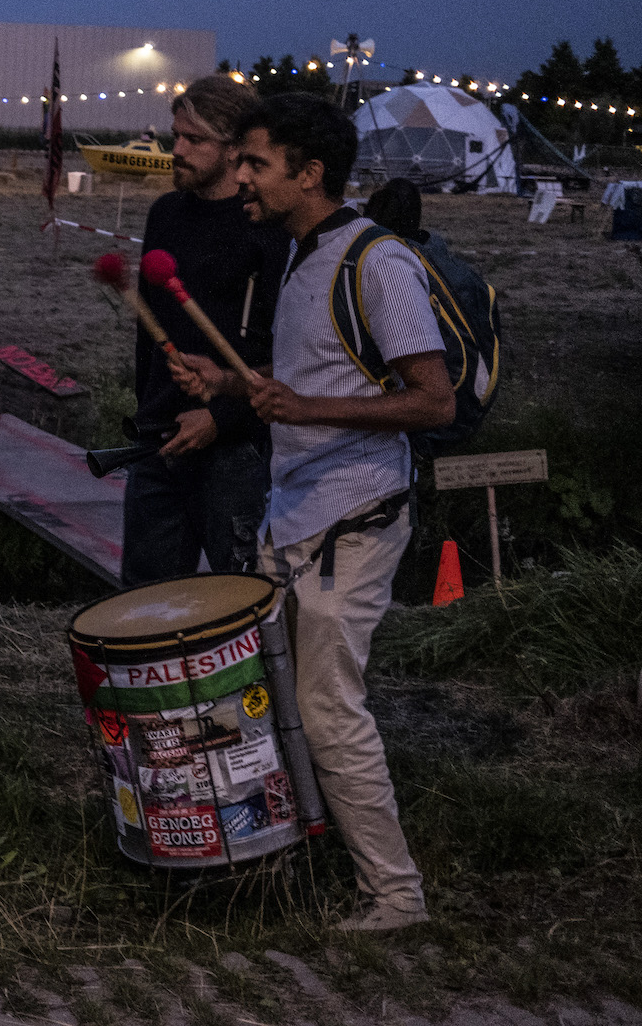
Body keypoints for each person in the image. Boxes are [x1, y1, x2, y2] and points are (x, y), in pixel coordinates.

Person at [172, 93, 453, 933]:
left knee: (330, 710)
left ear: (311, 172)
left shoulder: (378, 263)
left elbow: (432, 402)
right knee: (273, 702)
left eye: (258, 163)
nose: (243, 177)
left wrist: (304, 411)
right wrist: (228, 383)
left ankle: (395, 893)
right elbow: (311, 386)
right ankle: (290, 858)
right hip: (294, 518)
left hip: (355, 518)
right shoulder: (303, 257)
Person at [121, 75, 285, 584]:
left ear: (234, 148)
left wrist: (224, 417)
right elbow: (149, 333)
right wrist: (147, 411)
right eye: (177, 136)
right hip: (160, 441)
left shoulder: (265, 223)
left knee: (242, 603)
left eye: (195, 140)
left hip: (235, 449)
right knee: (146, 603)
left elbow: (289, 351)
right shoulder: (165, 213)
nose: (178, 149)